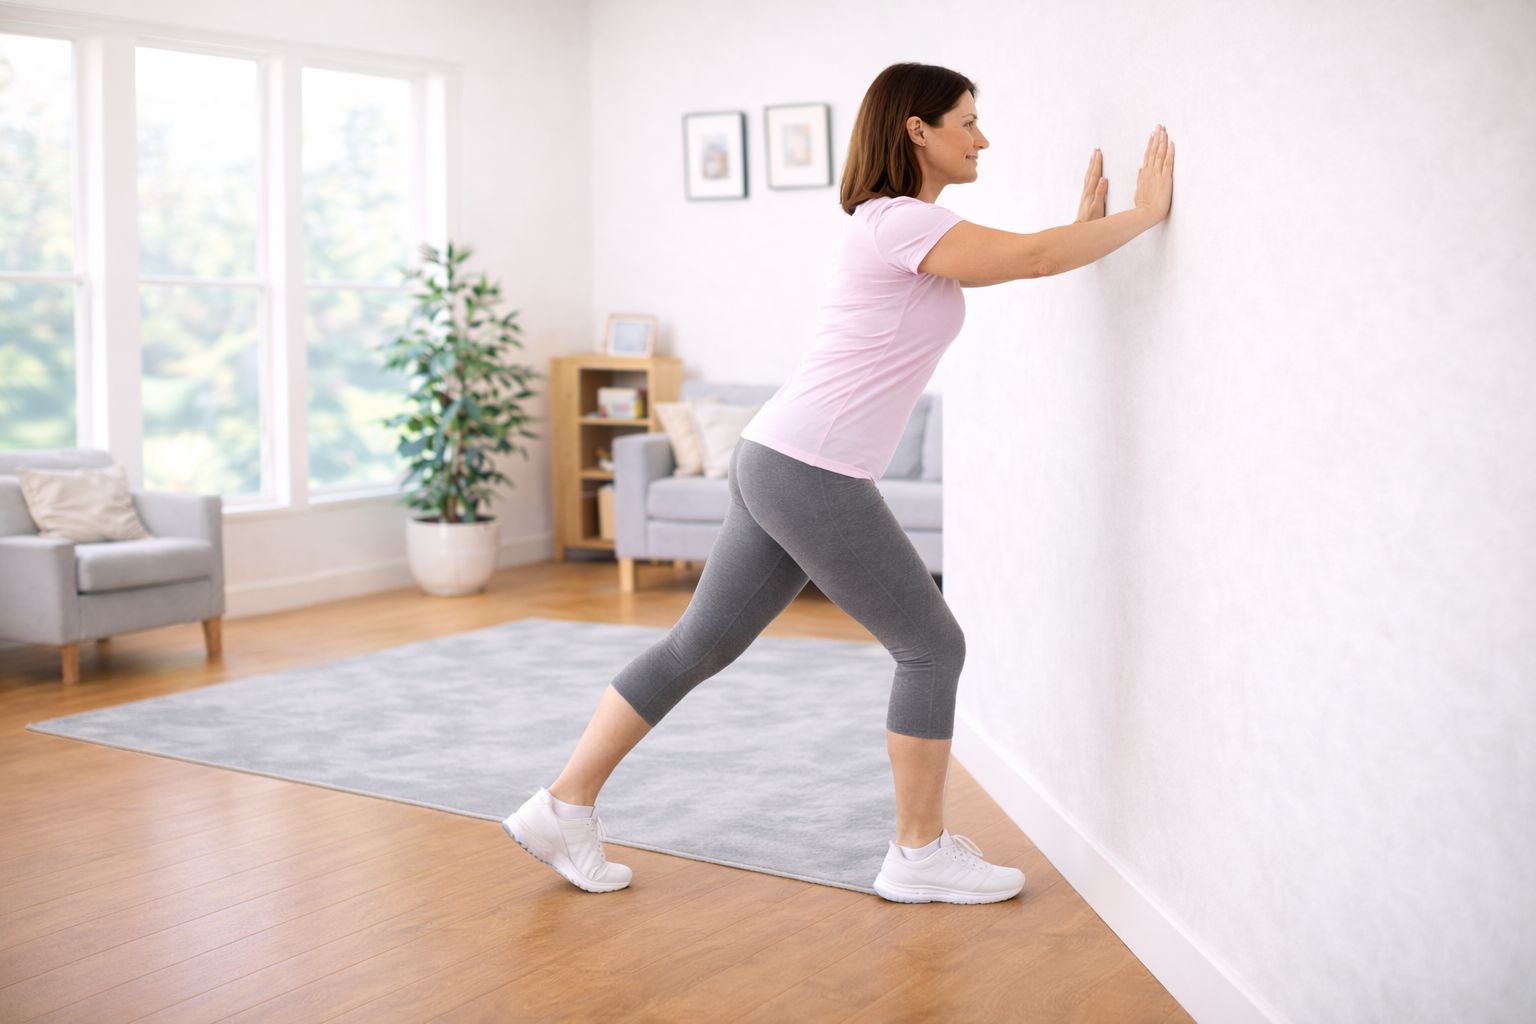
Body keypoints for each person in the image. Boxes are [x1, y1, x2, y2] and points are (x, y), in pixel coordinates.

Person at [502, 62, 1176, 902]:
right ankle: (918, 853)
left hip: (779, 455)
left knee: (699, 646)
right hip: (807, 465)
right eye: (967, 120)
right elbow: (1032, 257)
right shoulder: (896, 221)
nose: (983, 137)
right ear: (916, 130)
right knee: (932, 646)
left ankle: (561, 806)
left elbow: (1029, 255)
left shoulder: (895, 227)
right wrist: (1144, 218)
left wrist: (1088, 231)